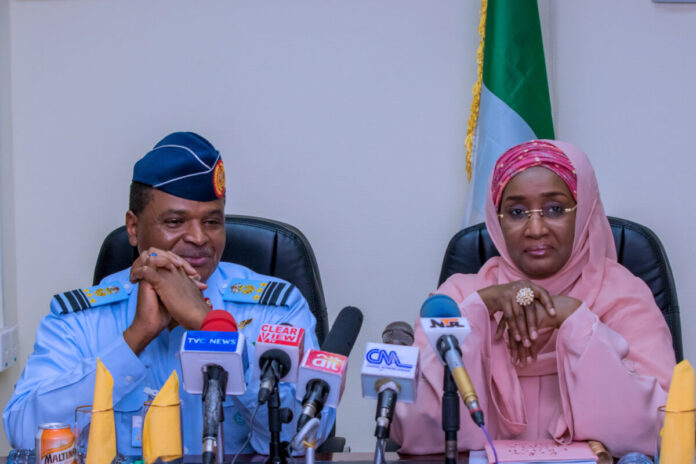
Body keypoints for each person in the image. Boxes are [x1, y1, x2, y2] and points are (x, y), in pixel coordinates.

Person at [3, 132, 335, 455]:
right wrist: (133, 339)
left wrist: (212, 328)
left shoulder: (276, 309)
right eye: (175, 222)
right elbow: (23, 431)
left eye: (212, 222)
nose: (199, 238)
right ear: (133, 228)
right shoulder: (80, 319)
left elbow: (307, 436)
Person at [391, 140, 675, 457]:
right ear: (496, 220)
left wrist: (576, 320)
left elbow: (663, 431)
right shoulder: (456, 298)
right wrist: (480, 311)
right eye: (516, 212)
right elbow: (411, 429)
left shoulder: (623, 294)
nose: (535, 229)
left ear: (585, 212)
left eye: (555, 209)